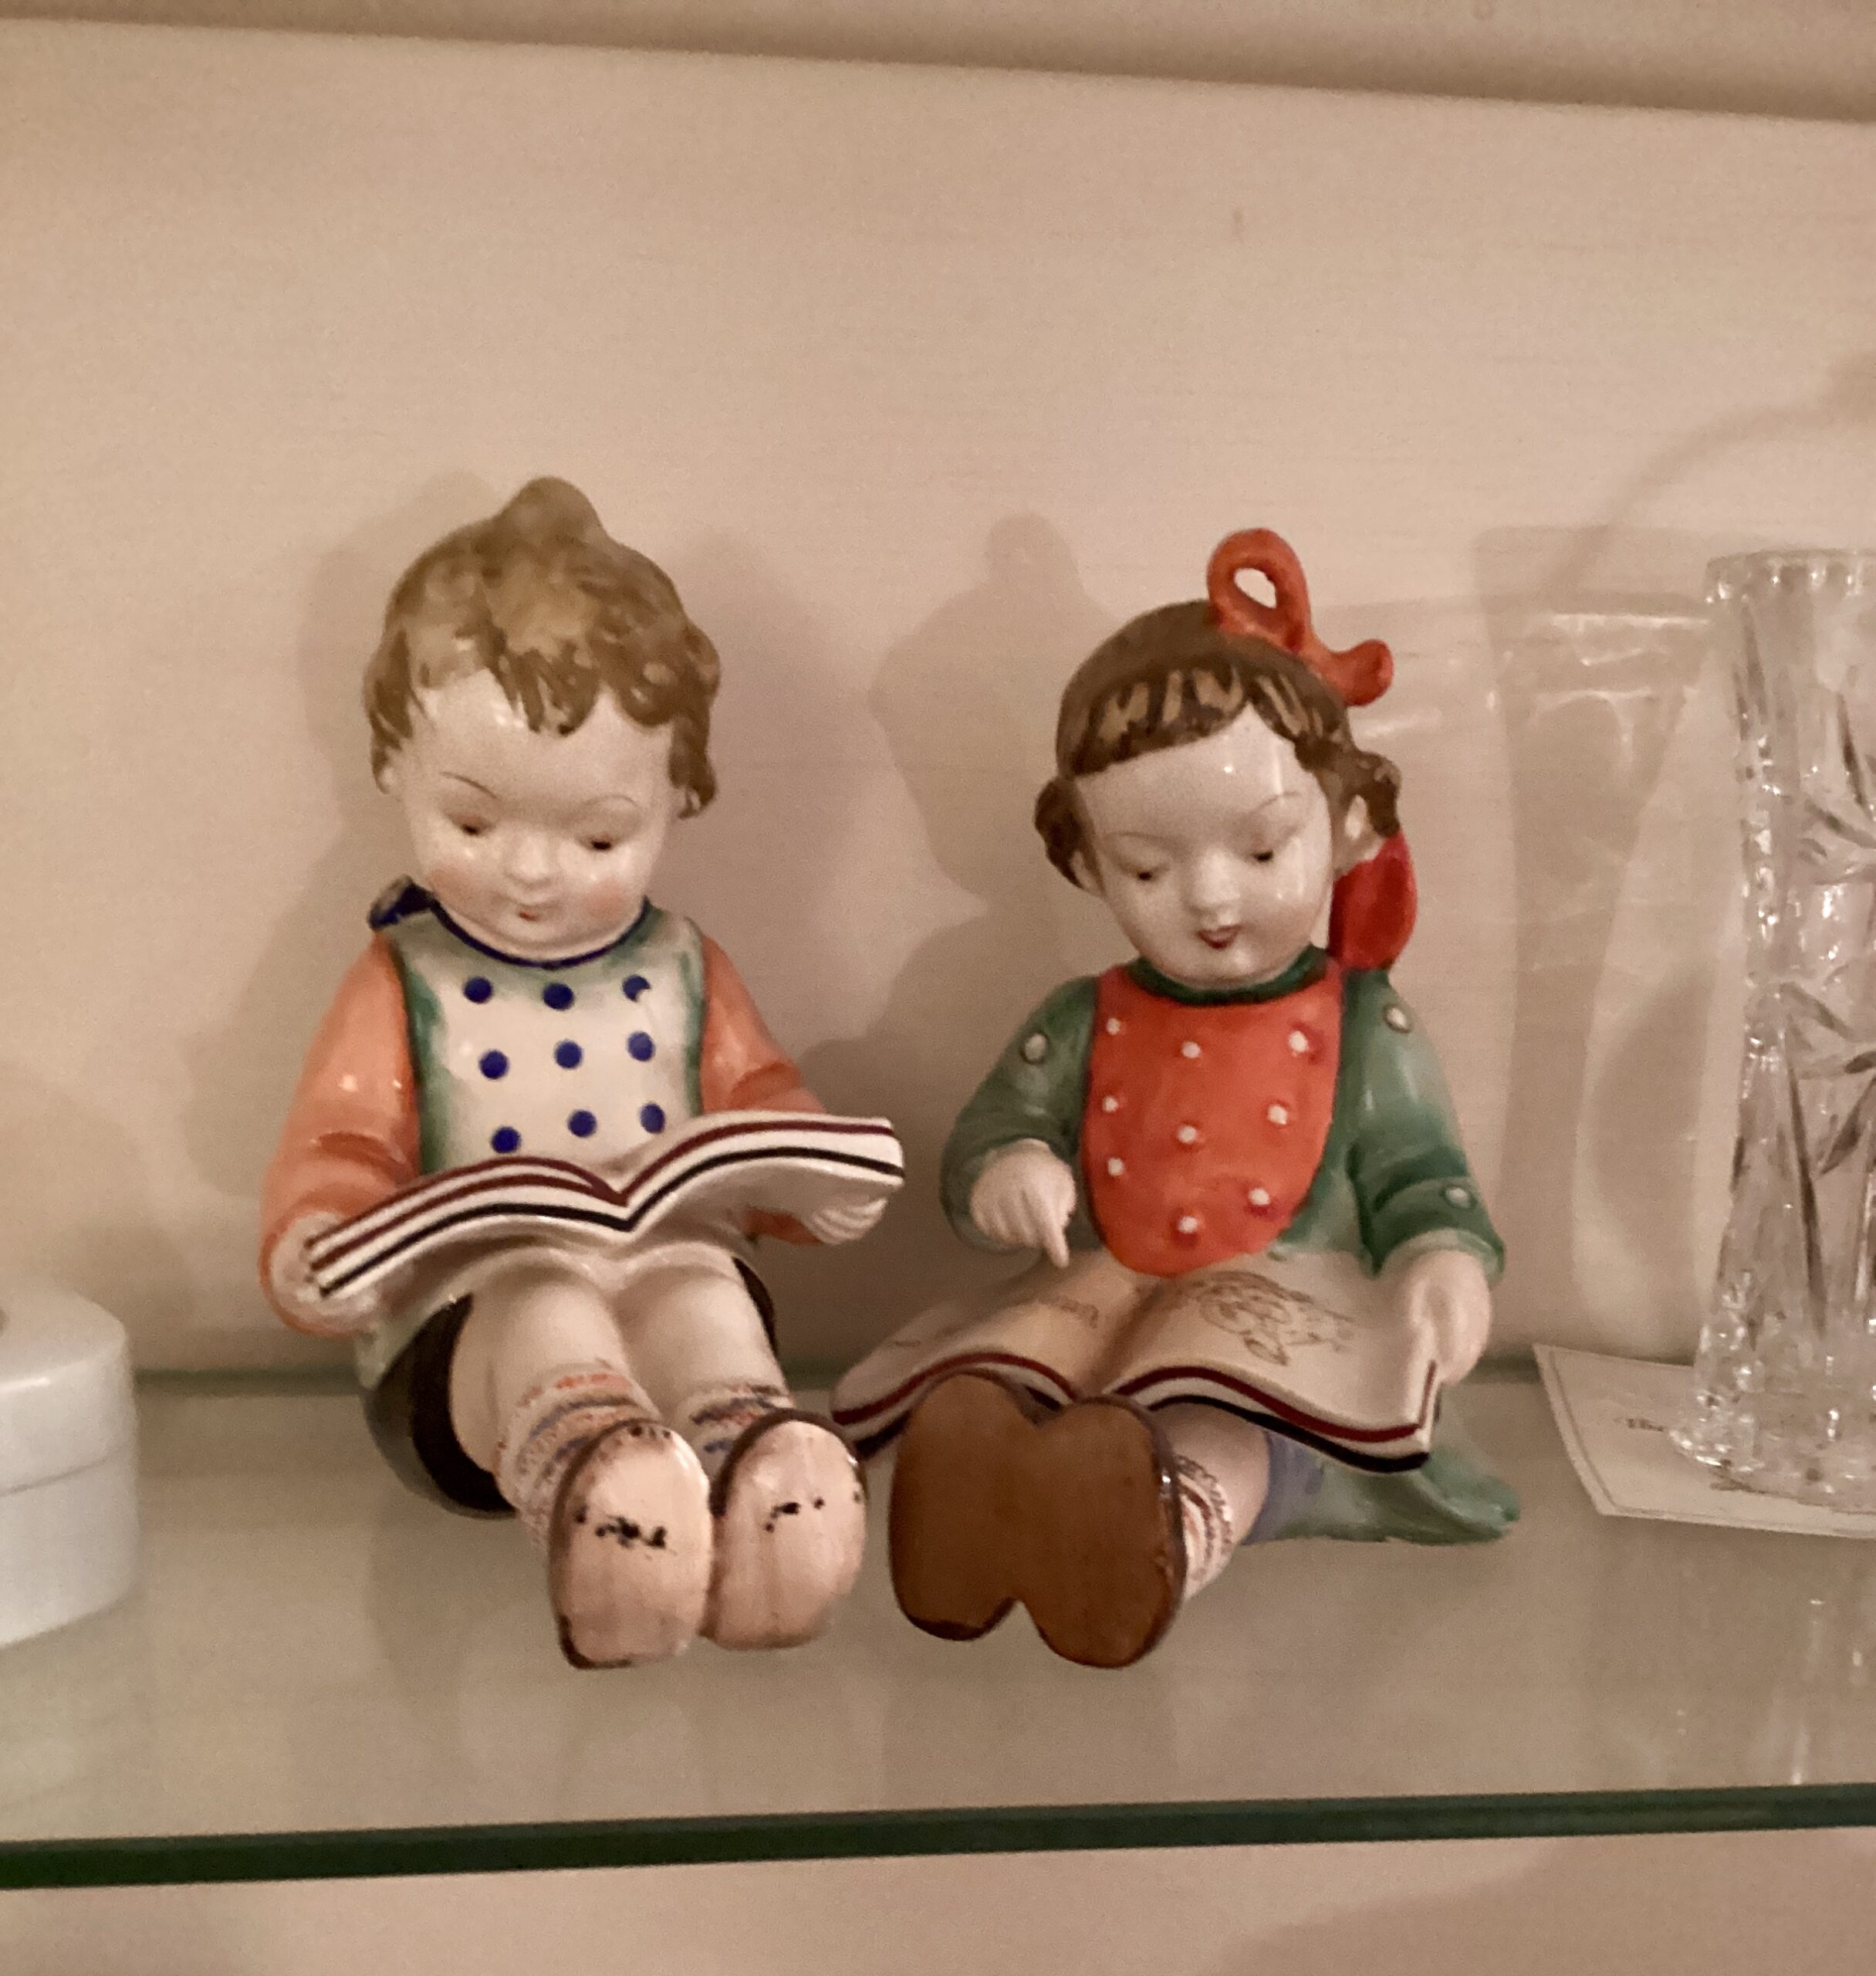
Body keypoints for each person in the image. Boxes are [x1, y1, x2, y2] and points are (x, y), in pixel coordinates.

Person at [833, 530, 1512, 1669]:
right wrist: (1009, 1169)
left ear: (1347, 825)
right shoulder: (1081, 1017)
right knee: (1005, 1381)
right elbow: (1003, 1124)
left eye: (1262, 851)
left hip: (1283, 1311)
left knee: (1222, 1422)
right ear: (1086, 863)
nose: (1209, 898)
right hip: (1109, 1294)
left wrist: (1442, 1256)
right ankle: (986, 1509)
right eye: (1147, 867)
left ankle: (1158, 1538)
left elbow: (1417, 1171)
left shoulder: (1364, 1027)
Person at [261, 479, 882, 1669]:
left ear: (676, 798)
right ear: (394, 768)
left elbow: (758, 1102)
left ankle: (760, 1484)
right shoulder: (404, 980)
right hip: (460, 1352)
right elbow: (340, 1143)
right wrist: (319, 1239)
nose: (531, 874)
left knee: (703, 1296)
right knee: (545, 1300)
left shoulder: (683, 967)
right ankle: (596, 1495)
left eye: (597, 836)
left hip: (663, 1258)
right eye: (474, 824)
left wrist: (808, 1179)